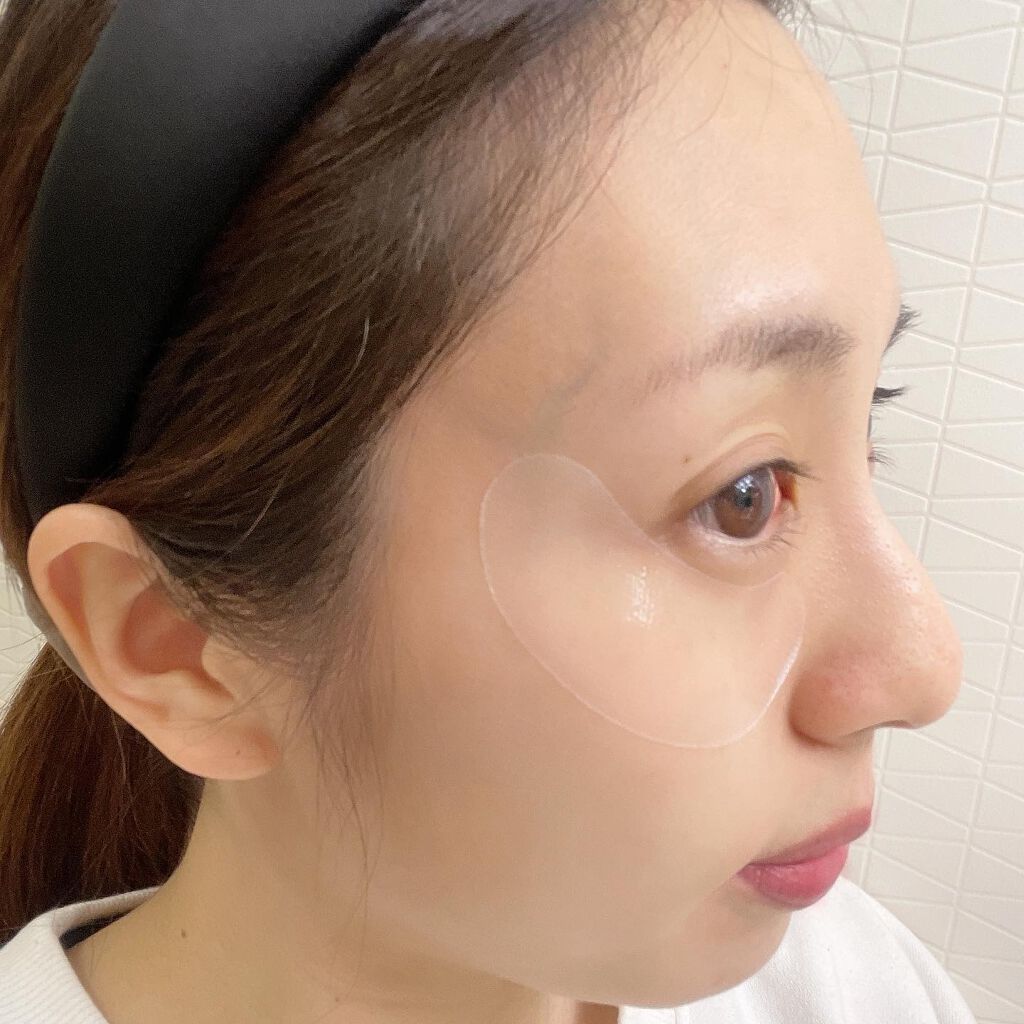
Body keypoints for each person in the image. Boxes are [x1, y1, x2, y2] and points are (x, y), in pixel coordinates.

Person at [0, 0, 977, 1022]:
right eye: (743, 496)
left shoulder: (849, 984)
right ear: (177, 642)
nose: (923, 667)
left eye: (866, 418)